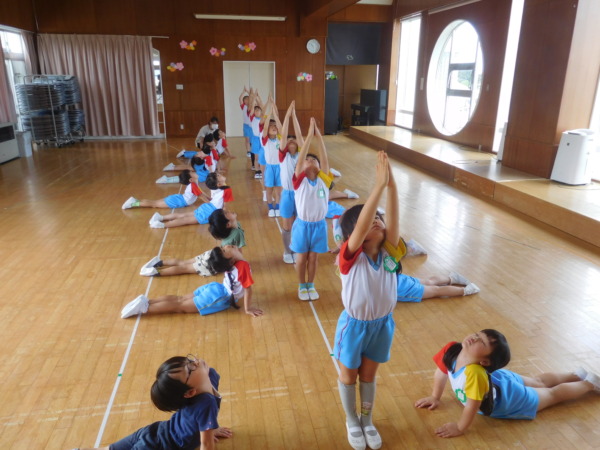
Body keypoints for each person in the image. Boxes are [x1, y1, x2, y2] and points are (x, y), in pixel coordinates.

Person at [333, 151, 404, 450]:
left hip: (382, 325)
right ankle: (352, 420)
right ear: (353, 234)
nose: (376, 221)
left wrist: (392, 185)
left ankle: (367, 419)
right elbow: (362, 226)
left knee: (369, 376)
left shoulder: (390, 252)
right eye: (369, 219)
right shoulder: (349, 258)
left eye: (378, 218)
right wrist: (377, 187)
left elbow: (393, 219)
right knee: (349, 376)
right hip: (354, 326)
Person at [415, 330, 600, 438]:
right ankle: (576, 375)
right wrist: (435, 396)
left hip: (508, 398)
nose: (475, 338)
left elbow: (472, 406)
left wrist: (459, 427)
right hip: (498, 378)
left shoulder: (474, 375)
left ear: (485, 362)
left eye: (482, 342)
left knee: (553, 394)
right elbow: (441, 372)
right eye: (478, 334)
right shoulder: (451, 349)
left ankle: (589, 383)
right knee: (538, 381)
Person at [72, 354, 231, 450]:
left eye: (189, 361)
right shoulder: (206, 403)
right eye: (190, 369)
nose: (195, 363)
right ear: (190, 393)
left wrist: (210, 428)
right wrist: (208, 431)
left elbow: (196, 419)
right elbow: (206, 445)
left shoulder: (211, 375)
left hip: (153, 432)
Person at [121, 245, 263, 318]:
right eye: (224, 249)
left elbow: (238, 254)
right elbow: (248, 289)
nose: (227, 246)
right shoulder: (242, 265)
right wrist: (247, 309)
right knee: (179, 306)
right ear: (230, 260)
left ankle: (148, 301)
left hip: (215, 288)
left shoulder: (235, 263)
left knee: (180, 299)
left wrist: (233, 251)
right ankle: (145, 308)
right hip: (219, 296)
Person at [291, 118, 332, 301]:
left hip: (319, 226)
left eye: (313, 160)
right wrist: (309, 136)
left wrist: (319, 137)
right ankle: (302, 285)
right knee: (301, 258)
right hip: (302, 225)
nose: (310, 161)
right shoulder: (299, 182)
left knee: (314, 258)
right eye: (307, 160)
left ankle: (311, 284)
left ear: (319, 167)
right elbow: (300, 158)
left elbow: (324, 157)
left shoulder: (324, 180)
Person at [140, 210, 245, 277]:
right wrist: (244, 264)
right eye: (226, 213)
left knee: (184, 262)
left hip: (211, 254)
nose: (228, 210)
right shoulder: (237, 232)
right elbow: (238, 253)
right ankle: (156, 272)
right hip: (211, 263)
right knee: (184, 268)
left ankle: (159, 262)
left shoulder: (233, 228)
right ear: (228, 224)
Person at [149, 172, 233, 228]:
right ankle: (162, 225)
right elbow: (225, 207)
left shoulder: (218, 186)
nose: (220, 174)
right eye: (218, 175)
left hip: (206, 206)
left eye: (218, 175)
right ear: (219, 183)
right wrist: (225, 219)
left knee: (184, 215)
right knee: (185, 220)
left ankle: (161, 217)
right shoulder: (227, 190)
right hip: (210, 211)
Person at [122, 170, 203, 210]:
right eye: (193, 173)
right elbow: (201, 196)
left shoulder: (194, 184)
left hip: (177, 199)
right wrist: (209, 203)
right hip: (176, 200)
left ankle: (136, 201)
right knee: (154, 204)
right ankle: (133, 203)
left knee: (154, 202)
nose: (195, 172)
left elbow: (201, 193)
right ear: (191, 179)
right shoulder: (194, 185)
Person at [396, 271, 479, 302]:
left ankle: (465, 290)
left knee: (436, 291)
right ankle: (453, 278)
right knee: (429, 281)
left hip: (398, 288)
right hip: (399, 278)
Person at [239, 86, 252, 157]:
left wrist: (249, 92)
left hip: (252, 125)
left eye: (248, 99)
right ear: (244, 101)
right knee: (247, 139)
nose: (247, 100)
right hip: (246, 125)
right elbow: (240, 98)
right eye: (246, 99)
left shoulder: (252, 106)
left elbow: (253, 98)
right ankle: (248, 151)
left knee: (252, 140)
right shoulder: (243, 106)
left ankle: (252, 150)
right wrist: (244, 91)